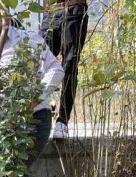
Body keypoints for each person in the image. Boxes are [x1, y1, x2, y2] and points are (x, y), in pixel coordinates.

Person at [0, 0, 64, 164]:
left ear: (8, 16)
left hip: (31, 119)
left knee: (15, 172)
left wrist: (36, 96)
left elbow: (56, 69)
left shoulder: (28, 40)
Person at [41, 0, 89, 140]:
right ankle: (37, 116)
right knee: (39, 63)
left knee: (69, 66)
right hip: (50, 10)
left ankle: (62, 122)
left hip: (74, 7)